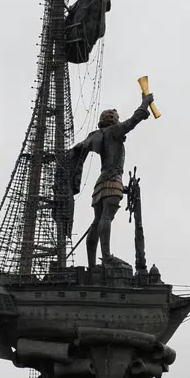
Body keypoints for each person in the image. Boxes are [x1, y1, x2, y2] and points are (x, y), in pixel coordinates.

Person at [61, 93, 154, 268]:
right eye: (117, 118)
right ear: (113, 121)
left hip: (100, 183)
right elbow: (132, 121)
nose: (119, 121)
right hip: (113, 180)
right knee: (106, 218)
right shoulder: (113, 132)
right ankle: (106, 257)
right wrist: (145, 103)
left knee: (97, 221)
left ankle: (92, 264)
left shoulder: (98, 134)